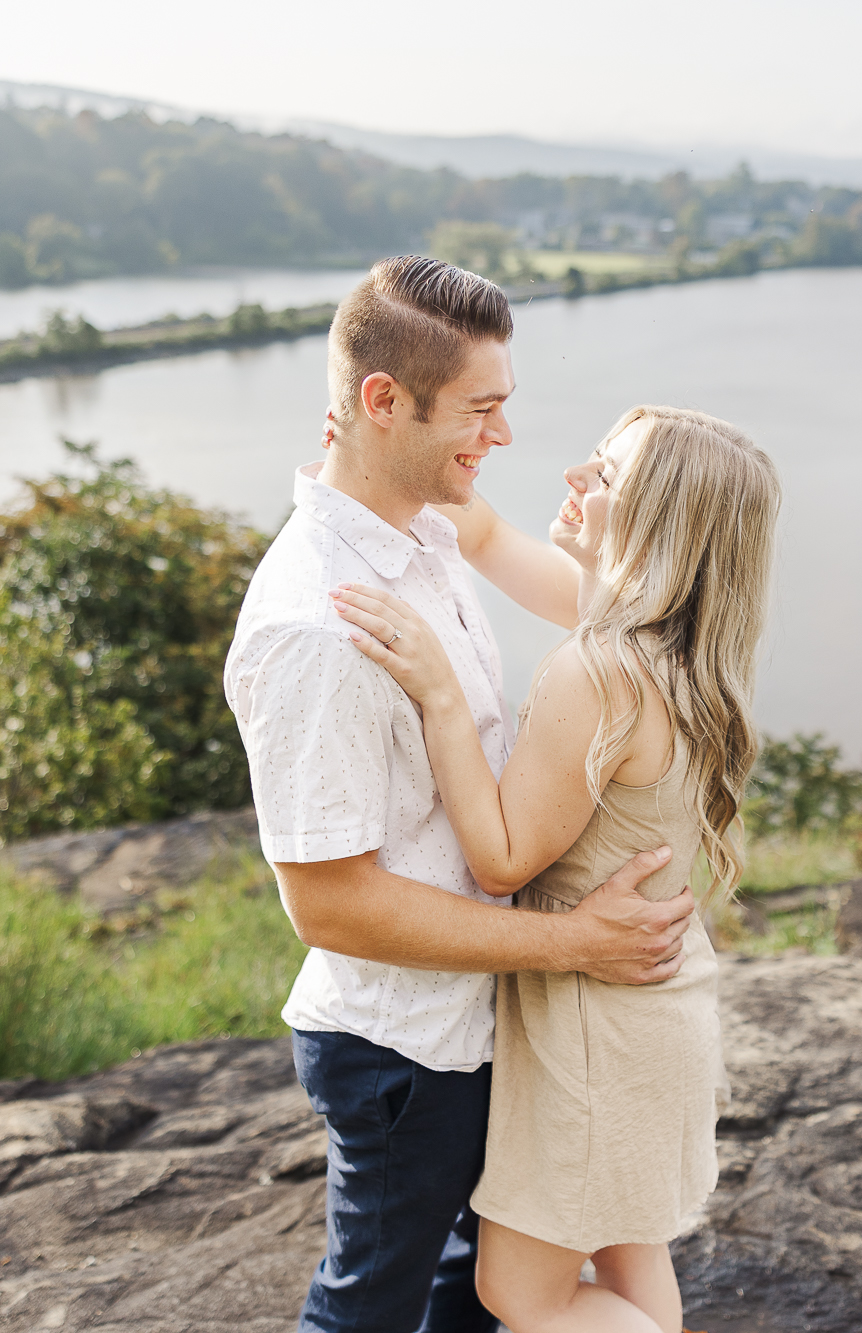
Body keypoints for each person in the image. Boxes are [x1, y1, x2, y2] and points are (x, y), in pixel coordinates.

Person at [222, 255, 696, 1333]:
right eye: (480, 410)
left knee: (474, 1302)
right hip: (407, 1050)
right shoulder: (317, 627)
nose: (503, 435)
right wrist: (577, 943)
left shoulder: (429, 521)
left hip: (486, 1020)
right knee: (369, 1308)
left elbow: (599, 605)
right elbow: (328, 905)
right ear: (383, 401)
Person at [329, 405, 781, 1333]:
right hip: (653, 1014)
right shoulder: (673, 644)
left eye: (606, 475)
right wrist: (373, 448)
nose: (575, 475)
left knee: (519, 1292)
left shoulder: (599, 671)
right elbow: (487, 533)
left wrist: (442, 695)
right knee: (629, 1253)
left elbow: (501, 859)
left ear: (659, 523)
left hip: (593, 1033)